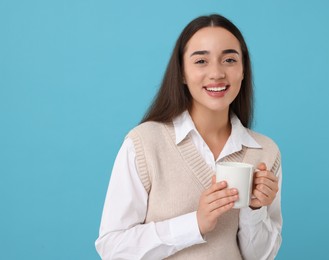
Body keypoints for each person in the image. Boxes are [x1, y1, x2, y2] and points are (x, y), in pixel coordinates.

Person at [95, 14, 282, 260]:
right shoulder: (144, 143)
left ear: (243, 70)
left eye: (229, 59)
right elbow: (112, 247)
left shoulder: (265, 151)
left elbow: (260, 257)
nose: (216, 73)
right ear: (181, 72)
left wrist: (255, 209)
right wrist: (194, 224)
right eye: (201, 61)